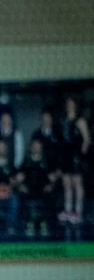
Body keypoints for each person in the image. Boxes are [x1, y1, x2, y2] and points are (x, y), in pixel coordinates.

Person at [58, 96, 89, 227]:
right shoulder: (63, 120)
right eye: (68, 104)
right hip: (65, 154)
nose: (69, 106)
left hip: (75, 155)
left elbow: (86, 139)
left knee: (77, 184)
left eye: (72, 104)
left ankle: (78, 211)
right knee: (67, 184)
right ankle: (68, 209)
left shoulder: (80, 120)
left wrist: (81, 154)